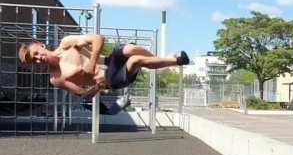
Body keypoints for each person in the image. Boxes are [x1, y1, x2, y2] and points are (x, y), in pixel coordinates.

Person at [18, 34, 189, 102]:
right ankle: (177, 61)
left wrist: (92, 61)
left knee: (129, 49)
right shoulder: (56, 78)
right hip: (109, 80)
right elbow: (84, 95)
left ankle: (159, 62)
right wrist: (99, 86)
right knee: (135, 60)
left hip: (109, 61)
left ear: (41, 45)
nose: (39, 59)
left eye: (36, 54)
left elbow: (98, 39)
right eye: (35, 61)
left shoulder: (66, 44)